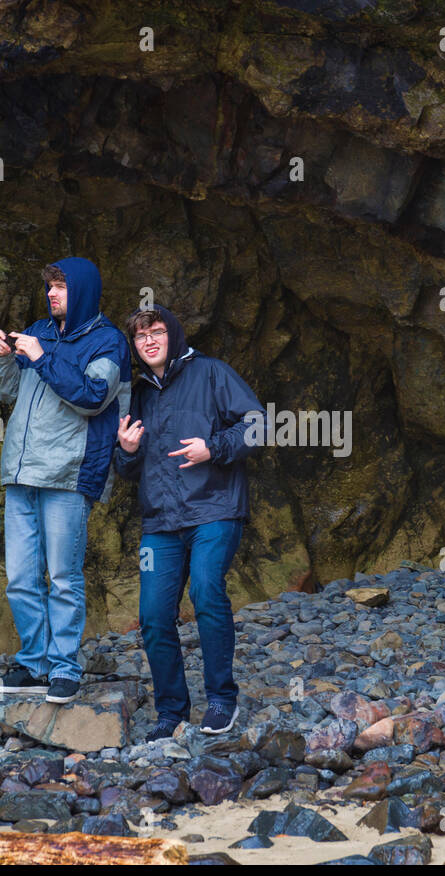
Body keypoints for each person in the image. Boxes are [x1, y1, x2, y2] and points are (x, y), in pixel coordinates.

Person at [0, 258, 130, 704]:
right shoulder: (39, 330)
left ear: (82, 289)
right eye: (48, 287)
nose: (52, 294)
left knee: (63, 576)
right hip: (22, 472)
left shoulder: (109, 342)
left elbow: (93, 397)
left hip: (68, 473)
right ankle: (34, 664)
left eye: (61, 287)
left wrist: (44, 358)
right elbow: (10, 391)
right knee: (21, 577)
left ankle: (65, 669)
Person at [114, 304, 263, 739]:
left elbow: (259, 424)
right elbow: (126, 472)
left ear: (172, 335)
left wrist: (213, 448)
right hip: (160, 521)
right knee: (154, 616)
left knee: (205, 589)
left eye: (156, 332)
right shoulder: (138, 393)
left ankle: (221, 701)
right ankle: (171, 712)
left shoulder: (211, 373)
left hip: (214, 510)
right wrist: (125, 450)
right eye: (141, 337)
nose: (149, 341)